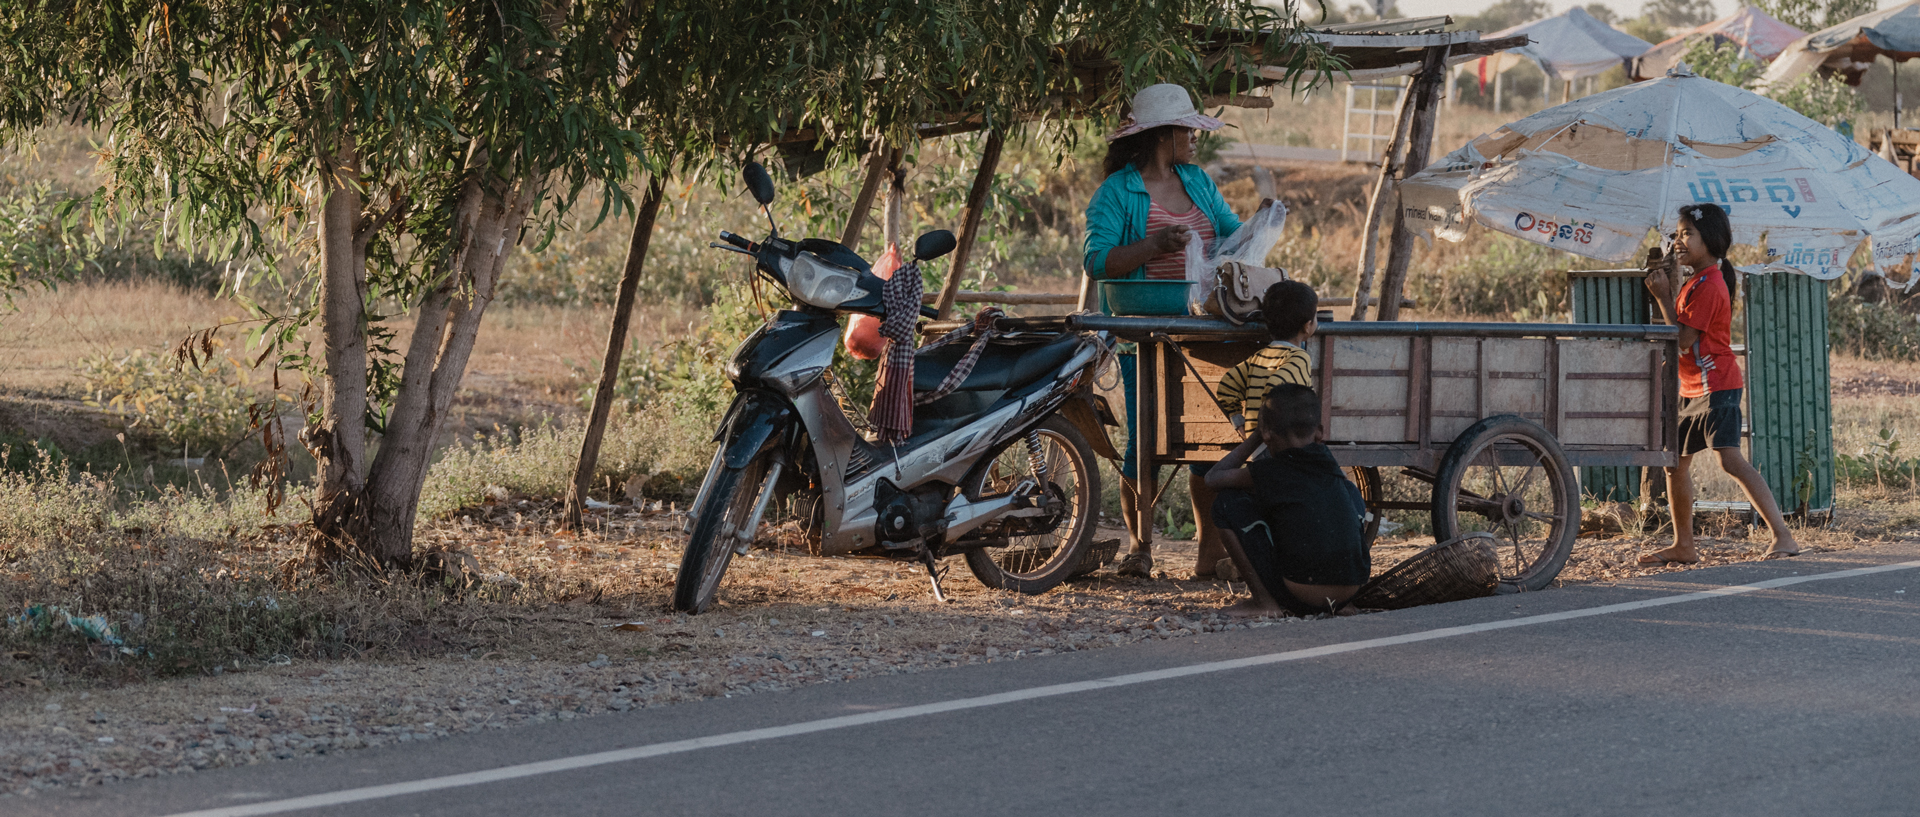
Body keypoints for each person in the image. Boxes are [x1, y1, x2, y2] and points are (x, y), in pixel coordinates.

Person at [1082, 83, 1244, 578]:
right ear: (1160, 135)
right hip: (1142, 335)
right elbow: (1096, 260)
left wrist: (1259, 226)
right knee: (1145, 440)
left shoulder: (1197, 181)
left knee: (1210, 440)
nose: (1195, 137)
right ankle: (1140, 547)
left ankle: (1208, 552)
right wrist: (1154, 247)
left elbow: (1233, 237)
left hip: (1206, 331)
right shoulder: (1117, 192)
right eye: (1187, 129)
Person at [1639, 203, 1801, 564]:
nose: (1679, 241)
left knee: (1730, 461)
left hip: (1717, 385)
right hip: (1690, 387)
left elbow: (1682, 339)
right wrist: (1667, 290)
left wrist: (1663, 295)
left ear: (1710, 240)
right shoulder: (1696, 281)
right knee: (1675, 465)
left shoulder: (1710, 285)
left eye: (1687, 234)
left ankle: (1783, 536)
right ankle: (1684, 546)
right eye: (1677, 234)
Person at [1204, 385, 1370, 617]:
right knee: (1349, 490)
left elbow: (1212, 479)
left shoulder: (1271, 470)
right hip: (1346, 595)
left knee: (1226, 503)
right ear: (1319, 432)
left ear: (1268, 434)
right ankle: (1347, 603)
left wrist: (1254, 438)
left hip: (1300, 597)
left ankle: (1264, 602)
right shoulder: (1328, 463)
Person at [1194, 280, 1318, 578]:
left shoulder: (1259, 357)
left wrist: (1240, 422)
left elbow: (1227, 386)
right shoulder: (1298, 358)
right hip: (1281, 446)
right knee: (1285, 504)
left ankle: (1245, 559)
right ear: (1309, 326)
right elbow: (1281, 390)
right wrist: (1274, 424)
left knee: (1261, 500)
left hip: (1257, 444)